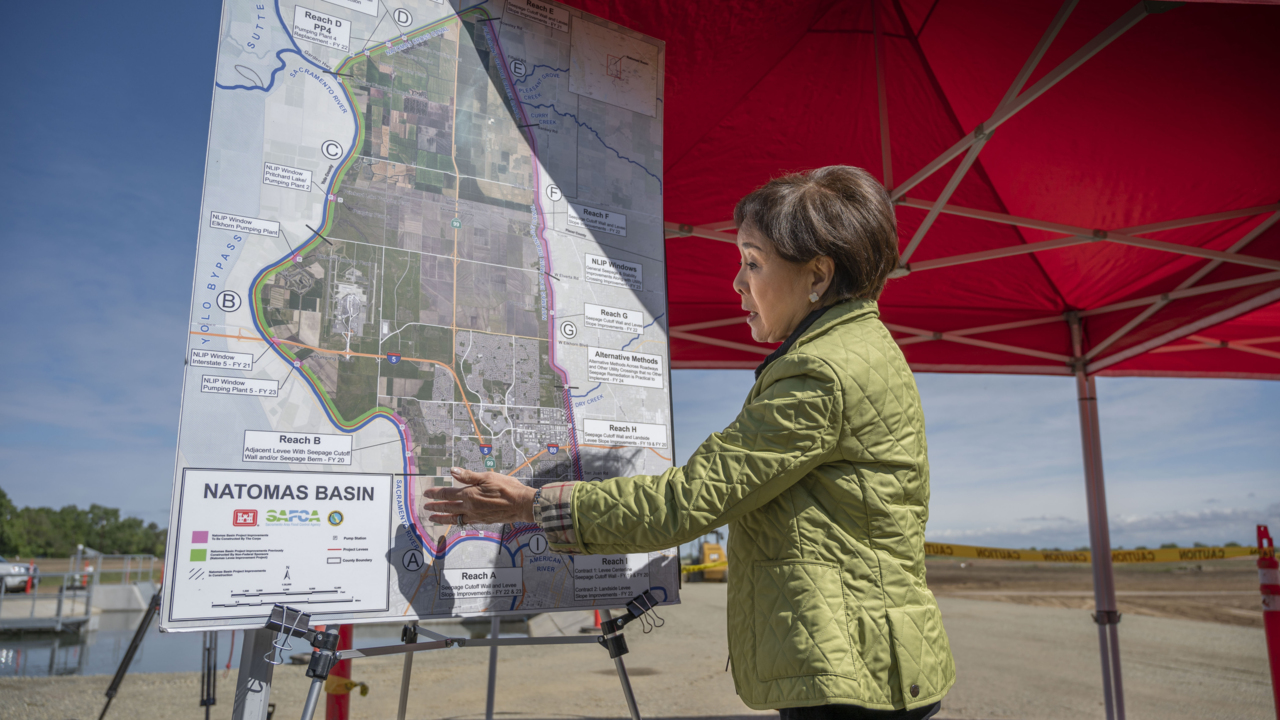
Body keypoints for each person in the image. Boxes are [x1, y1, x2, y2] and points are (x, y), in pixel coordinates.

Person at [424, 166, 955, 718]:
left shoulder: (820, 373)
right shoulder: (863, 346)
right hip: (869, 654)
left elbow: (690, 499)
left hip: (849, 671)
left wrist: (534, 503)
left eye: (753, 262)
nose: (737, 283)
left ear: (818, 275)